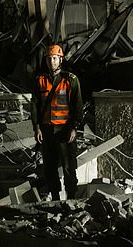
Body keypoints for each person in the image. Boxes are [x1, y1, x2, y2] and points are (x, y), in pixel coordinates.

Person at [31, 44, 82, 200]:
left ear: (60, 59)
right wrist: (37, 127)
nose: (51, 62)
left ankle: (71, 197)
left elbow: (77, 105)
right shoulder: (40, 80)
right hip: (47, 130)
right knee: (49, 166)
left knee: (68, 166)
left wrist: (74, 128)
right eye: (49, 58)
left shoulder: (71, 80)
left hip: (64, 130)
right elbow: (35, 105)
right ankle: (55, 197)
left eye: (54, 58)